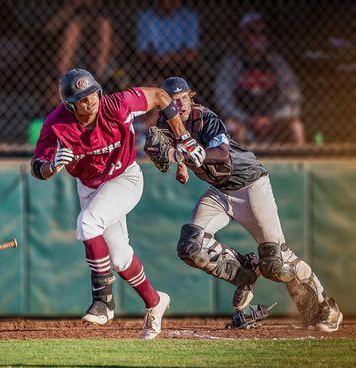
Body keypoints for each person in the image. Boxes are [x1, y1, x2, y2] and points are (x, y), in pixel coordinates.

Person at [145, 76, 342, 332]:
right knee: (191, 246)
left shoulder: (206, 119)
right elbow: (170, 150)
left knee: (275, 262)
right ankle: (246, 271)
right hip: (220, 191)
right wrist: (181, 163)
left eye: (183, 98)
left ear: (190, 97)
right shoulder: (166, 124)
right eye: (172, 102)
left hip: (250, 184)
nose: (179, 105)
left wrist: (189, 155)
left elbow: (222, 155)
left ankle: (324, 309)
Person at [31, 69, 198, 339]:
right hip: (89, 186)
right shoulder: (56, 124)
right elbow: (36, 168)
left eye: (93, 93)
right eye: (83, 98)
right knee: (120, 258)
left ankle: (103, 303)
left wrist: (183, 136)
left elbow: (158, 95)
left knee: (87, 223)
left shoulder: (116, 104)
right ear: (70, 105)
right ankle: (156, 301)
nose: (91, 100)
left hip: (125, 177)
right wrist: (51, 166)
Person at [214, 12, 304, 145]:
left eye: (262, 32)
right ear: (242, 35)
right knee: (231, 127)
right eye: (252, 32)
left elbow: (293, 97)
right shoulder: (232, 63)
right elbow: (222, 99)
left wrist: (272, 118)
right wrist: (247, 119)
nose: (258, 36)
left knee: (296, 127)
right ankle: (239, 165)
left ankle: (300, 166)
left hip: (274, 122)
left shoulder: (276, 62)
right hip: (243, 122)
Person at [136, 0, 199, 85]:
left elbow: (192, 54)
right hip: (153, 65)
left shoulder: (189, 17)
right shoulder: (146, 17)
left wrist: (170, 57)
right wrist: (157, 60)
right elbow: (141, 53)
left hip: (181, 66)